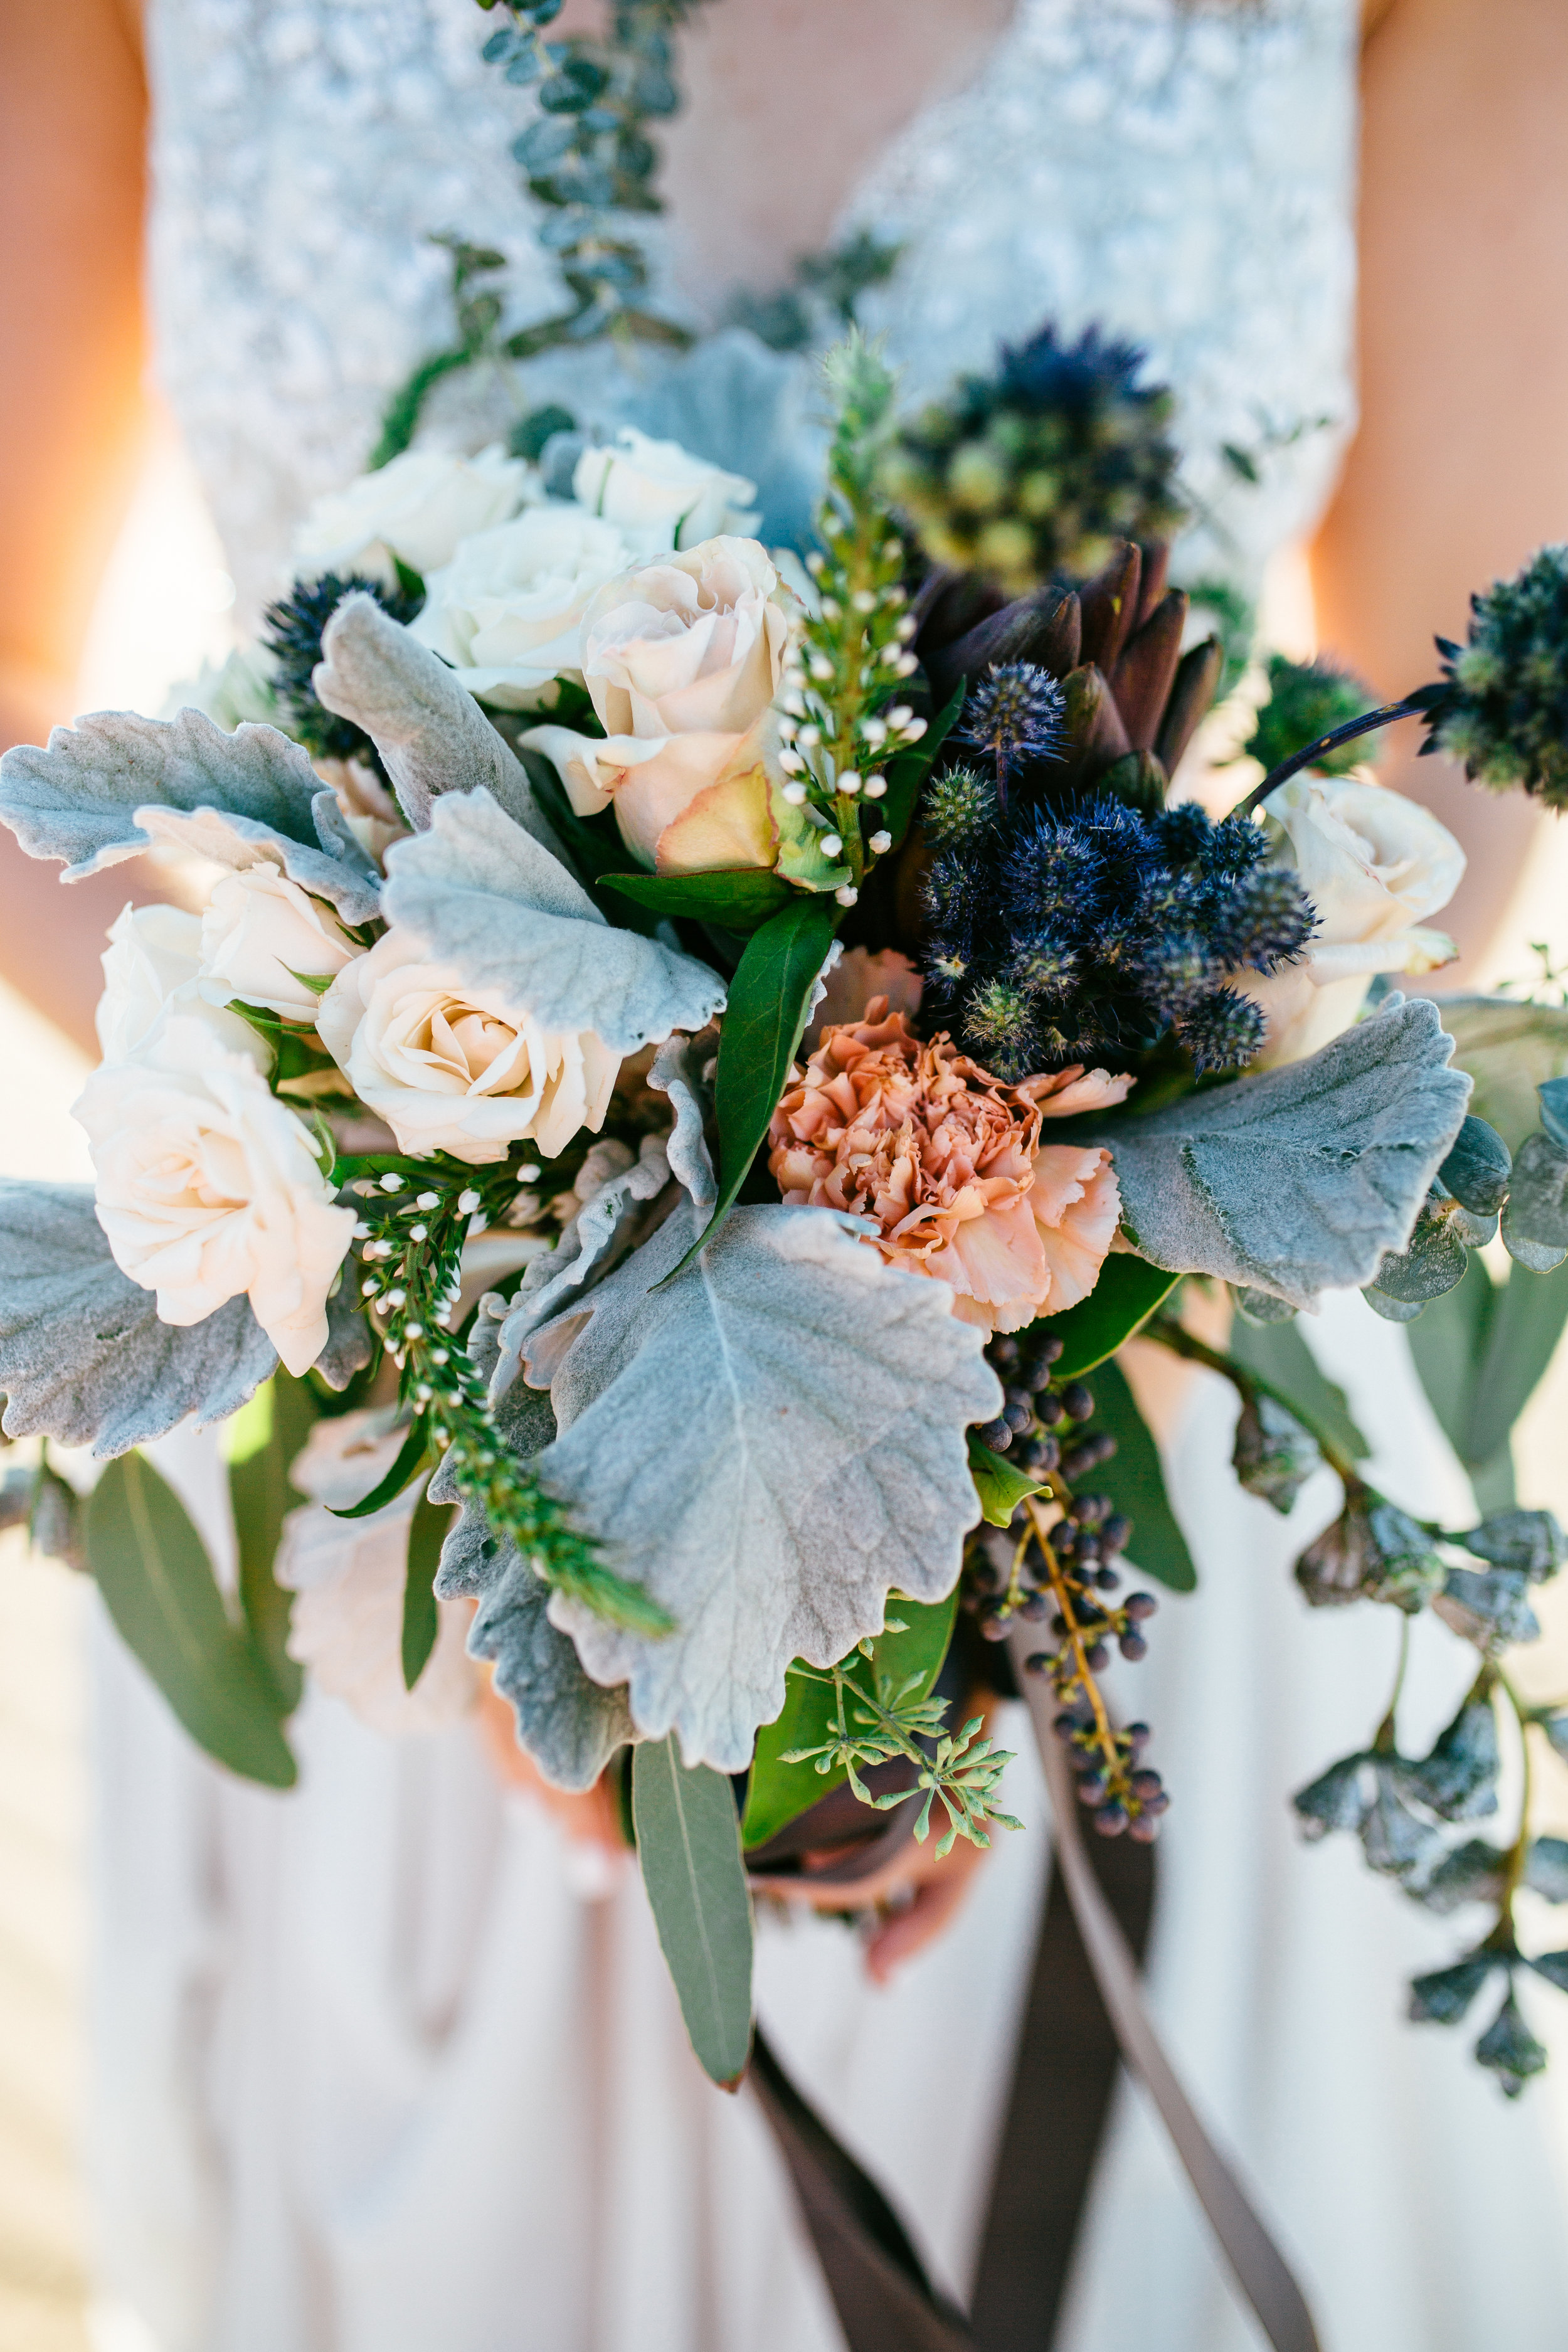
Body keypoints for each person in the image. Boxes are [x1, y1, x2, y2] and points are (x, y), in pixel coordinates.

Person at [4, 3, 1568, 2346]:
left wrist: (1021, 1296)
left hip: (1091, 1527)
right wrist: (479, 1320)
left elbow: (1455, 736)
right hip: (425, 1508)